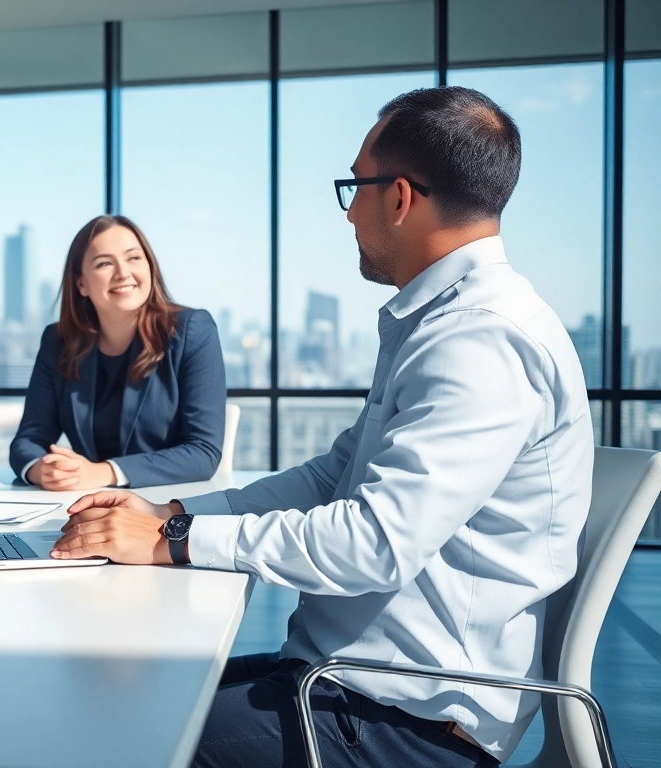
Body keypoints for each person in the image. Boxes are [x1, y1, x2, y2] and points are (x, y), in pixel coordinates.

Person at [51, 86, 592, 767]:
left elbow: (374, 542)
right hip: (348, 682)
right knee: (110, 695)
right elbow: (330, 475)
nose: (349, 214)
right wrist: (170, 509)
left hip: (401, 722)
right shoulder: (439, 325)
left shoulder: (479, 343)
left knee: (107, 738)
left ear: (399, 198)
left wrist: (172, 537)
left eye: (355, 187)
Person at [9, 215, 227, 490]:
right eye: (104, 263)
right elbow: (28, 440)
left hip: (165, 506)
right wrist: (40, 469)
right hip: (83, 504)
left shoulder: (192, 330)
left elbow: (203, 452)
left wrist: (105, 473)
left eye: (134, 258)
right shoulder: (58, 341)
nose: (123, 273)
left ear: (149, 266)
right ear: (81, 284)